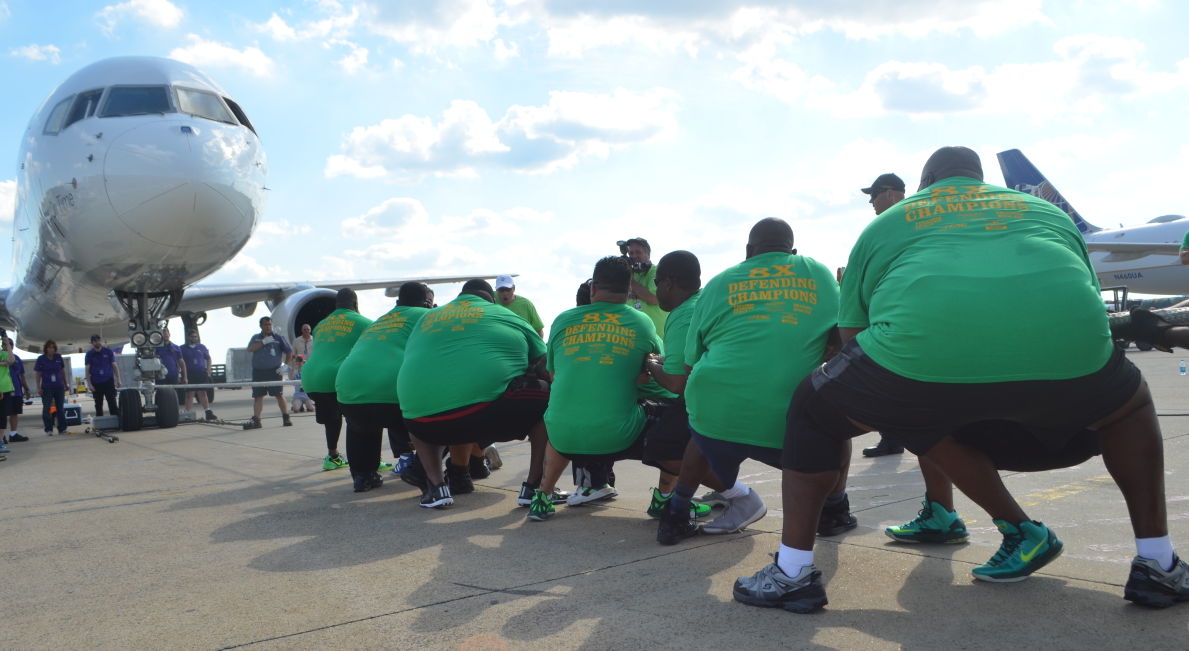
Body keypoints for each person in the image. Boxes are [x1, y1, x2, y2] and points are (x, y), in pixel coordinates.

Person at [734, 146, 1189, 614]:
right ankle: (1158, 563)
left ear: (926, 183)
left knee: (814, 407)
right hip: (1069, 370)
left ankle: (792, 573)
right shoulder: (1043, 211)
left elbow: (854, 334)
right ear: (980, 179)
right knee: (1130, 406)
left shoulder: (887, 223)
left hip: (922, 368)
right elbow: (1082, 300)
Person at [675, 218, 846, 542]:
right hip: (787, 423)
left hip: (716, 422)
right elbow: (843, 335)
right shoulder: (816, 272)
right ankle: (834, 510)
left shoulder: (719, 282)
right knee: (835, 422)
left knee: (700, 423)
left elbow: (690, 364)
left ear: (748, 252)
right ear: (791, 252)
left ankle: (676, 512)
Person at [526, 257, 692, 522]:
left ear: (593, 289)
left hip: (562, 436)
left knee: (567, 414)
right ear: (628, 291)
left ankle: (542, 497)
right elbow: (649, 377)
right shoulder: (640, 322)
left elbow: (555, 374)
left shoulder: (563, 321)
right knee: (676, 419)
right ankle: (663, 499)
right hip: (617, 437)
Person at [397, 279, 551, 509]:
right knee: (549, 397)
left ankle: (436, 487)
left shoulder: (427, 318)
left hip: (423, 424)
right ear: (491, 298)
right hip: (487, 416)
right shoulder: (505, 314)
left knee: (417, 402)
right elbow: (545, 363)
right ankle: (535, 487)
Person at [643, 250, 729, 544]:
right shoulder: (705, 302)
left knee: (659, 444)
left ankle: (738, 494)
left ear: (668, 283)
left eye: (656, 283)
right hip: (740, 388)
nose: (656, 290)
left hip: (716, 401)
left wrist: (651, 365)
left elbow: (678, 383)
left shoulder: (681, 316)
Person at [337, 283, 432, 492]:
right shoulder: (425, 315)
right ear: (426, 302)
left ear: (398, 302)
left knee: (360, 426)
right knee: (431, 418)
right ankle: (421, 470)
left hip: (348, 386)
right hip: (390, 388)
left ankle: (363, 476)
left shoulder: (382, 319)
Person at [857, 173, 907, 459]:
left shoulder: (890, 225)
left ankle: (892, 438)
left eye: (874, 195)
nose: (871, 203)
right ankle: (893, 438)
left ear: (889, 194)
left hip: (897, 312)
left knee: (886, 378)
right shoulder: (910, 220)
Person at [301, 289, 374, 471]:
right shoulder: (364, 322)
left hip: (311, 377)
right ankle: (370, 460)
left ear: (336, 306)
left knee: (332, 419)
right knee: (360, 418)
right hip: (337, 376)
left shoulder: (320, 325)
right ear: (356, 305)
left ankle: (332, 457)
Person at [244, 316, 293, 430]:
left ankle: (286, 417)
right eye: (266, 325)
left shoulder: (278, 338)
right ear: (261, 326)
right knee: (258, 396)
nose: (268, 326)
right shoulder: (256, 338)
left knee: (279, 395)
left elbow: (289, 352)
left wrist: (284, 366)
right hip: (258, 372)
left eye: (269, 324)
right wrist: (264, 342)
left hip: (274, 371)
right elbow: (250, 349)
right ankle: (257, 420)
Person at [621, 237, 667, 337]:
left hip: (656, 335)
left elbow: (653, 298)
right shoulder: (630, 275)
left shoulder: (656, 271)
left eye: (638, 252)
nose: (634, 256)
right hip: (633, 336)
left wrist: (629, 280)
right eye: (631, 253)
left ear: (648, 254)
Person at [181, 329, 216, 421]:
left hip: (201, 372)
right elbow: (180, 361)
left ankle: (208, 412)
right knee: (190, 394)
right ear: (188, 337)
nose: (194, 338)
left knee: (203, 393)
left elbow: (208, 358)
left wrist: (208, 369)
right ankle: (187, 413)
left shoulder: (202, 347)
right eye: (192, 336)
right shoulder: (183, 348)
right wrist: (181, 374)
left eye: (195, 336)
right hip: (190, 373)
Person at [33, 340, 68, 435]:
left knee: (60, 408)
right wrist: (38, 387)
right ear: (46, 349)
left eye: (53, 347)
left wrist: (65, 384)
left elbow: (62, 371)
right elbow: (38, 374)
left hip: (59, 386)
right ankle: (48, 429)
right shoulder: (41, 359)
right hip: (47, 387)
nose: (51, 349)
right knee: (47, 408)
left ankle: (62, 428)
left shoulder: (58, 357)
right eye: (49, 347)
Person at [84, 334, 121, 418]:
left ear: (100, 341)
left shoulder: (108, 352)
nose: (97, 342)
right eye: (95, 341)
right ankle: (100, 423)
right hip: (96, 382)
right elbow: (87, 369)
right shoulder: (89, 354)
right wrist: (89, 384)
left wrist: (118, 379)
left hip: (108, 381)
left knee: (112, 402)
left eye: (98, 340)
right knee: (98, 404)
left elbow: (114, 366)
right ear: (92, 343)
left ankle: (116, 421)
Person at [5, 339, 29, 442]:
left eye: (10, 345)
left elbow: (22, 375)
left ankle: (13, 434)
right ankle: (1, 436)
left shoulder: (18, 359)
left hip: (17, 390)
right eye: (5, 345)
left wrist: (26, 389)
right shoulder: (2, 357)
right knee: (2, 414)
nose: (8, 347)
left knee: (14, 412)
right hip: (5, 390)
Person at [155, 328, 187, 405]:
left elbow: (181, 362)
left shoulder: (176, 347)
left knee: (174, 395)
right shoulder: (155, 348)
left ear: (169, 334)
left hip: (173, 375)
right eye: (163, 333)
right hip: (161, 376)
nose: (165, 335)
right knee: (161, 395)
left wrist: (184, 376)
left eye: (166, 333)